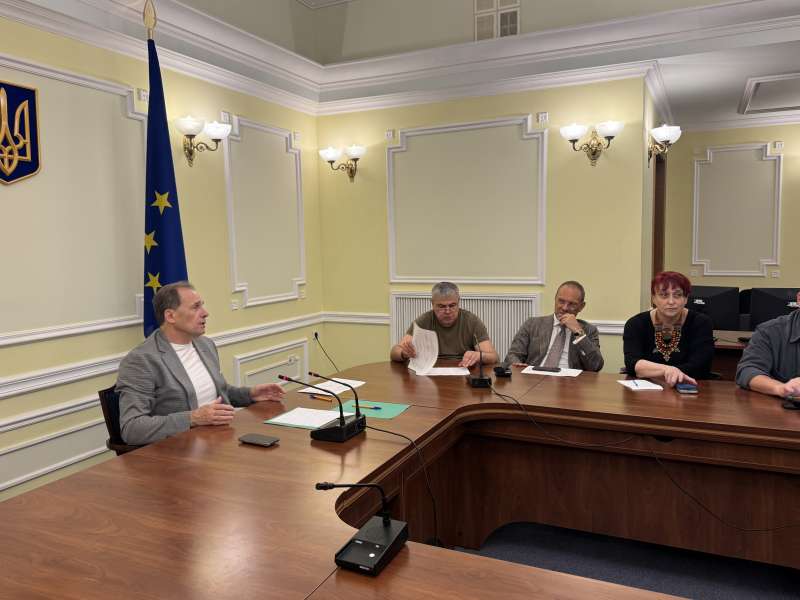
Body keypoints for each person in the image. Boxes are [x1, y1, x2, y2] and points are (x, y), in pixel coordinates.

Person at [117, 282, 284, 445]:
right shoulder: (142, 360)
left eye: (202, 306)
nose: (205, 313)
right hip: (176, 451)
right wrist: (193, 418)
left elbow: (218, 392)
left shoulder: (205, 344)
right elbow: (132, 429)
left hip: (217, 440)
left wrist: (250, 395)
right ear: (170, 316)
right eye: (195, 307)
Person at [623, 271, 713, 387]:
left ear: (686, 299)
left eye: (677, 295)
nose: (671, 302)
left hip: (689, 388)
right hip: (646, 390)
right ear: (653, 298)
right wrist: (668, 370)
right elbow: (632, 364)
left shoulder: (701, 323)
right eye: (664, 295)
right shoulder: (636, 324)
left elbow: (700, 367)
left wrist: (656, 371)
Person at [390, 281, 498, 367]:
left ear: (458, 302)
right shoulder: (424, 321)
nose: (447, 311)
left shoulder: (472, 321)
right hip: (431, 371)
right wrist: (404, 353)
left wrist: (479, 356)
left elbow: (494, 357)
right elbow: (394, 352)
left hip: (462, 370)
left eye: (452, 305)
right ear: (432, 304)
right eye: (441, 306)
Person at [503, 281, 604, 371]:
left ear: (581, 306)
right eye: (561, 301)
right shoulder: (532, 324)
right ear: (555, 299)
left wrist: (578, 332)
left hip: (570, 382)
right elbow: (513, 355)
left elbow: (596, 366)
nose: (564, 308)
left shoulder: (589, 330)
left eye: (572, 304)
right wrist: (518, 365)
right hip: (534, 378)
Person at [735, 291, 800, 398]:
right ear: (799, 299)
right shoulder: (769, 331)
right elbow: (747, 371)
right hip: (782, 406)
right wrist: (781, 388)